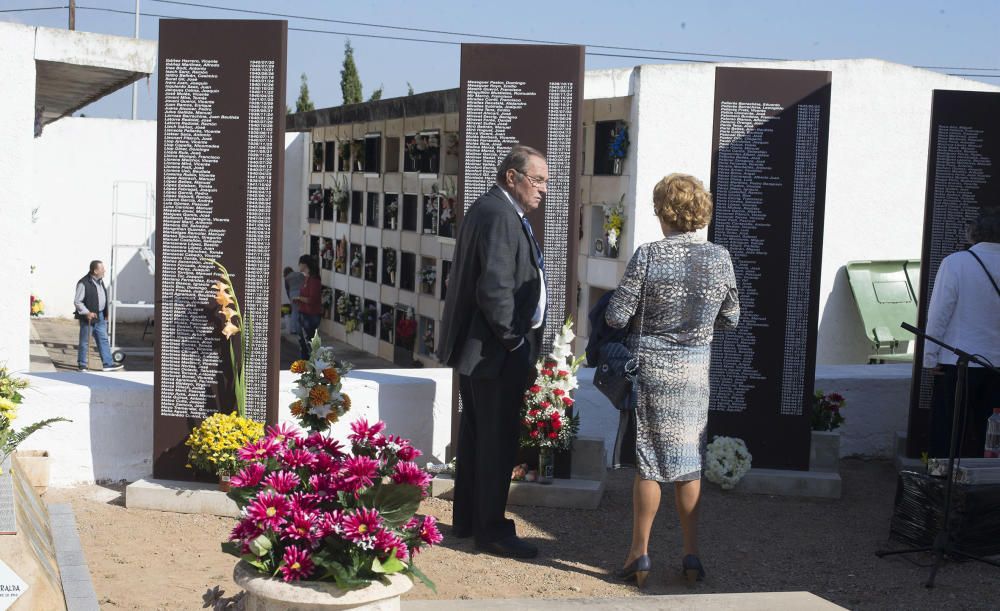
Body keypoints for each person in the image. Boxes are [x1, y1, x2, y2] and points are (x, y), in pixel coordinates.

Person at [606, 173, 739, 587]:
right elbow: (732, 318)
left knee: (649, 464)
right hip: (696, 371)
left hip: (653, 370)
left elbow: (615, 316)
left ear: (663, 211)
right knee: (688, 463)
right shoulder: (720, 258)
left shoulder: (648, 255)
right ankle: (691, 555)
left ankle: (639, 554)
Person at [438, 145, 548, 559]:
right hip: (495, 353)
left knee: (477, 439)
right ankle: (492, 531)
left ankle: (468, 519)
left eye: (544, 183)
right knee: (497, 442)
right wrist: (516, 342)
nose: (541, 191)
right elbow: (496, 288)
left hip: (480, 353)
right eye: (536, 180)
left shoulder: (489, 209)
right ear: (511, 178)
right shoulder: (500, 215)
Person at [925, 208, 1000, 458]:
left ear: (974, 234)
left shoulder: (955, 263)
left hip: (958, 361)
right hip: (997, 365)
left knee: (949, 431)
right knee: (990, 437)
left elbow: (939, 313)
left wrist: (929, 357)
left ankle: (943, 485)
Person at [74, 260, 124, 372]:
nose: (104, 270)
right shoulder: (83, 283)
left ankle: (108, 364)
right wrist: (87, 312)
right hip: (89, 317)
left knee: (103, 339)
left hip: (100, 316)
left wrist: (105, 313)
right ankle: (82, 365)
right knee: (85, 341)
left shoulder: (100, 281)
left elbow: (102, 298)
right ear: (95, 271)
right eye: (102, 269)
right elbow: (78, 302)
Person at [293, 255, 322, 358]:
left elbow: (312, 300)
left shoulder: (314, 280)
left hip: (311, 315)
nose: (298, 266)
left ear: (304, 265)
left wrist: (299, 298)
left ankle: (314, 364)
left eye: (299, 264)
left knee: (310, 342)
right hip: (303, 313)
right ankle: (304, 363)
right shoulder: (306, 278)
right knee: (302, 341)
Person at [283, 265, 305, 336]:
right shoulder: (299, 274)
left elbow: (287, 289)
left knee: (294, 311)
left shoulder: (287, 278)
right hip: (302, 292)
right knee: (302, 311)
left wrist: (290, 298)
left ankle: (293, 329)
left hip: (293, 293)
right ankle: (301, 329)